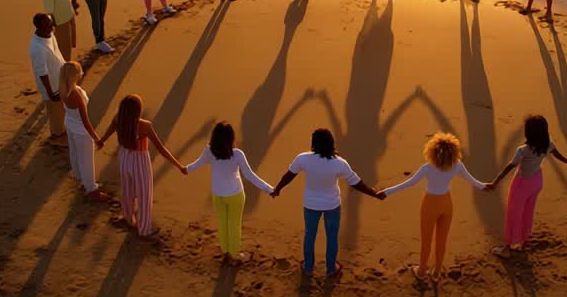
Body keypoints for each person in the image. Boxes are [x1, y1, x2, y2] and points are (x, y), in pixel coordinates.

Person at [271, 128, 385, 277]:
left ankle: (308, 266)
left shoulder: (303, 159)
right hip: (332, 205)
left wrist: (277, 189)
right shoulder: (340, 163)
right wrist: (374, 193)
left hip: (311, 205)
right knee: (332, 236)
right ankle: (331, 268)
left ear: (313, 143)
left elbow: (289, 176)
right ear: (331, 143)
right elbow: (356, 183)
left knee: (309, 235)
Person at [381, 132, 488, 282]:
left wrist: (386, 192)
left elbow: (409, 183)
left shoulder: (428, 168)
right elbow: (473, 181)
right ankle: (437, 272)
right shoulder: (457, 166)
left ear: (432, 151)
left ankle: (422, 270)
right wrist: (485, 186)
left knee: (427, 240)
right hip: (447, 204)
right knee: (442, 239)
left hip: (430, 204)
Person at [185, 122, 274, 263]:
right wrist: (269, 189)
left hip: (217, 195)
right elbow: (250, 175)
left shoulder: (209, 150)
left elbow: (197, 163)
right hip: (235, 195)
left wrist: (185, 169)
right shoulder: (237, 154)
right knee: (234, 225)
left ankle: (226, 252)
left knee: (222, 223)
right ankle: (235, 254)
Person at [98, 94, 186, 236]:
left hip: (124, 157)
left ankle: (128, 218)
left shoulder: (118, 119)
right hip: (139, 161)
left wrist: (101, 141)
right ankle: (144, 228)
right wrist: (178, 165)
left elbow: (107, 133)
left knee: (127, 190)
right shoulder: (144, 126)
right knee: (144, 194)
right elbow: (161, 148)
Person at [488, 116, 567, 257]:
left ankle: (507, 248)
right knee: (528, 211)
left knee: (513, 213)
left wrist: (495, 182)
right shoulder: (548, 144)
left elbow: (510, 166)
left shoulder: (523, 150)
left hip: (522, 183)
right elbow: (558, 155)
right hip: (537, 181)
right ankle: (522, 240)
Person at [59, 61, 112, 202]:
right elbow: (85, 120)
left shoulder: (63, 88)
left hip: (70, 124)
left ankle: (80, 177)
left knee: (75, 153)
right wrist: (96, 138)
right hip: (81, 131)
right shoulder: (75, 94)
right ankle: (91, 189)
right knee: (87, 160)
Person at [28, 13, 67, 146]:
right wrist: (50, 93)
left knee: (62, 110)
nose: (52, 27)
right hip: (51, 86)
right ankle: (57, 137)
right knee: (55, 113)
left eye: (51, 24)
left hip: (60, 78)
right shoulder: (37, 48)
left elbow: (57, 53)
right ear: (40, 27)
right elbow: (42, 73)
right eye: (49, 25)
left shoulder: (49, 34)